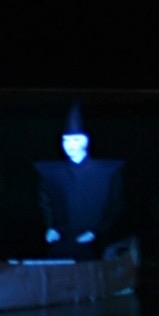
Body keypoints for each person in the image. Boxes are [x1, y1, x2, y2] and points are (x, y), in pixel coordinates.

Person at [34, 103, 124, 260]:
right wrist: (51, 227)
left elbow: (115, 205)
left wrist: (97, 231)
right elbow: (45, 202)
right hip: (61, 240)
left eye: (75, 140)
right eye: (66, 140)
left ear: (86, 141)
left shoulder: (107, 172)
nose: (70, 145)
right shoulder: (52, 173)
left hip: (94, 244)